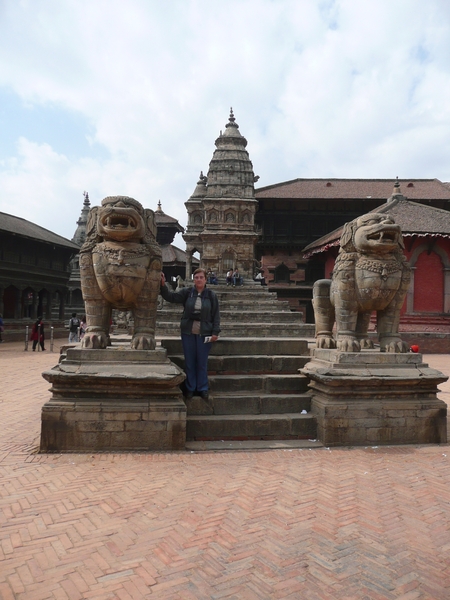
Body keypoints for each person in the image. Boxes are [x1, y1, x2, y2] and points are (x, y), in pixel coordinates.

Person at [160, 268, 220, 400]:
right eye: (196, 277)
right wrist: (163, 285)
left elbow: (216, 315)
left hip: (205, 332)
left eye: (201, 277)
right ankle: (190, 388)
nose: (198, 279)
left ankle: (202, 388)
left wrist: (215, 332)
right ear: (194, 279)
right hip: (188, 331)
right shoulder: (187, 293)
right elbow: (171, 297)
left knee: (202, 362)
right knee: (190, 361)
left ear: (205, 280)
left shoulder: (211, 295)